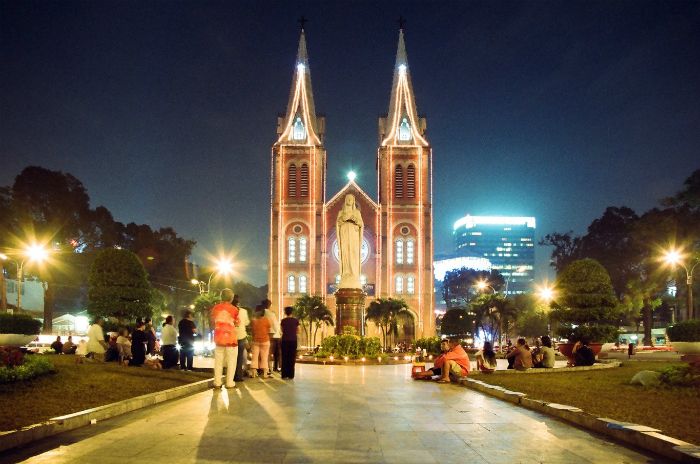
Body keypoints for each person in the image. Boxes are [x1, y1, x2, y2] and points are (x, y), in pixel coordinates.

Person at [211, 288, 240, 389]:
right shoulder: (235, 309)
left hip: (219, 338)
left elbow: (213, 321)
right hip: (231, 339)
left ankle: (217, 382)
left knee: (218, 361)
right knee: (232, 361)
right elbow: (237, 323)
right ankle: (229, 382)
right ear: (231, 298)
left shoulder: (215, 308)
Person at [250, 305, 271, 378]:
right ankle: (265, 373)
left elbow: (252, 331)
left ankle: (253, 373)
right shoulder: (266, 320)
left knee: (254, 357)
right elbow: (268, 329)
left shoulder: (253, 321)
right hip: (265, 341)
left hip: (255, 341)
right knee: (264, 357)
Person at [233, 296, 250, 382]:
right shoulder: (244, 311)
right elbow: (247, 322)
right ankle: (238, 376)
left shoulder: (229, 311)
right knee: (239, 357)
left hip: (231, 336)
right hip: (241, 336)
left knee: (232, 357)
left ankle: (231, 376)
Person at [280, 306, 300, 379]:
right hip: (293, 340)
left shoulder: (283, 321)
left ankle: (284, 375)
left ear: (285, 312)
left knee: (284, 357)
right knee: (292, 357)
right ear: (292, 312)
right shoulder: (295, 321)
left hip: (285, 340)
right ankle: (291, 375)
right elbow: (298, 330)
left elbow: (282, 330)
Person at [263, 298, 281, 374]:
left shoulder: (261, 313)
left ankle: (265, 368)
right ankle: (273, 368)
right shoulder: (271, 314)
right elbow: (275, 325)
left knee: (266, 353)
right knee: (274, 353)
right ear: (269, 305)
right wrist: (277, 332)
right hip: (273, 335)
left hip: (263, 335)